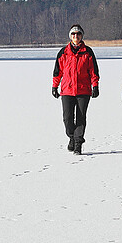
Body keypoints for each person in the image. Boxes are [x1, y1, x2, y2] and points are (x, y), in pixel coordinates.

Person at [52, 24, 100, 155]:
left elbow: (93, 71)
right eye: (73, 34)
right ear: (70, 36)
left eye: (78, 34)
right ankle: (71, 137)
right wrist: (54, 86)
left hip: (83, 90)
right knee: (67, 118)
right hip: (67, 90)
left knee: (81, 117)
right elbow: (57, 71)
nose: (76, 36)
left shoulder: (88, 52)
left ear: (81, 36)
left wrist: (95, 85)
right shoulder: (63, 52)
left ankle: (78, 143)